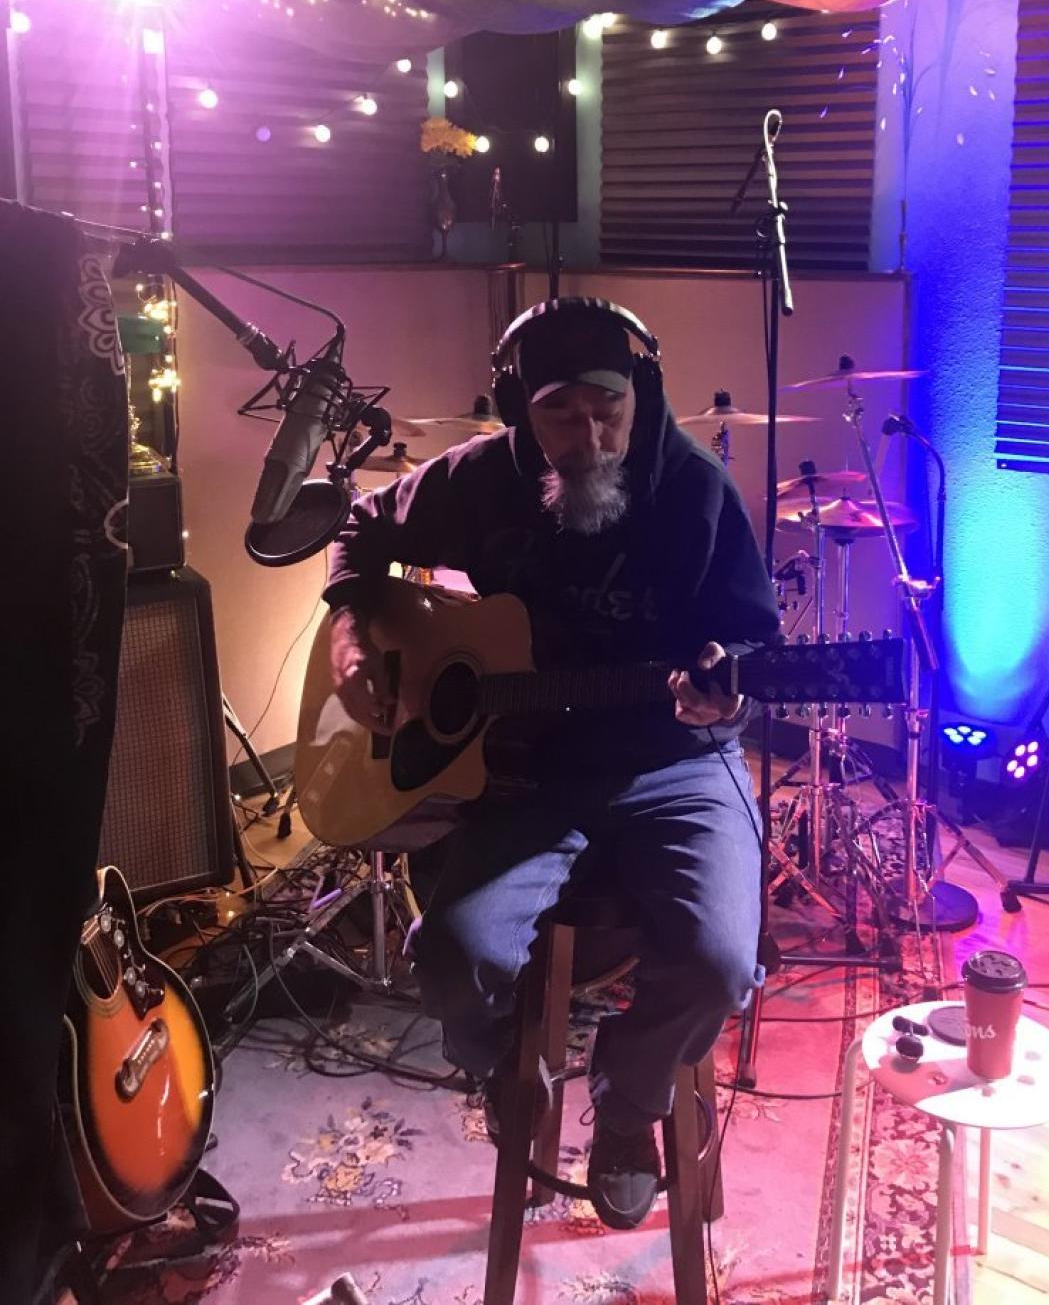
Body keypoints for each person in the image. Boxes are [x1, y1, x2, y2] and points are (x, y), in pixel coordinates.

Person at [324, 298, 778, 1231]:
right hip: (527, 767)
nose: (591, 438)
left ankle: (629, 1103)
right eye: (560, 415)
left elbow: (754, 646)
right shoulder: (479, 479)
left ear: (642, 393)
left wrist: (728, 697)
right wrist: (350, 638)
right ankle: (502, 1065)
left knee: (722, 963)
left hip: (675, 762)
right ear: (516, 411)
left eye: (609, 409)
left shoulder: (696, 491)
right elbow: (357, 531)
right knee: (450, 957)